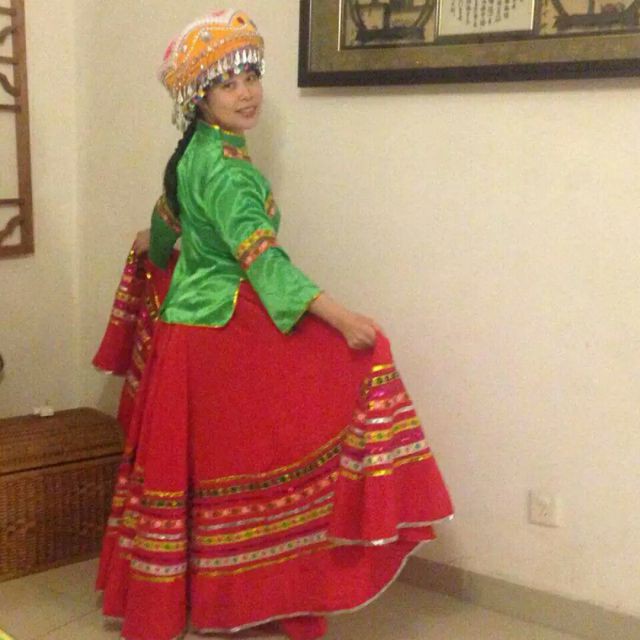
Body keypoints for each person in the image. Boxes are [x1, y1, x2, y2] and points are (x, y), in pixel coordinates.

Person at [96, 9, 453, 640]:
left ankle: (220, 597)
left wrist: (158, 251)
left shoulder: (193, 156)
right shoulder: (230, 170)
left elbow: (164, 224)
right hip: (226, 335)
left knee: (216, 474)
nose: (247, 92)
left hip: (188, 337)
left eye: (251, 76)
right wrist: (343, 318)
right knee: (276, 455)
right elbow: (262, 259)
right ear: (198, 97)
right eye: (227, 82)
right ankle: (283, 591)